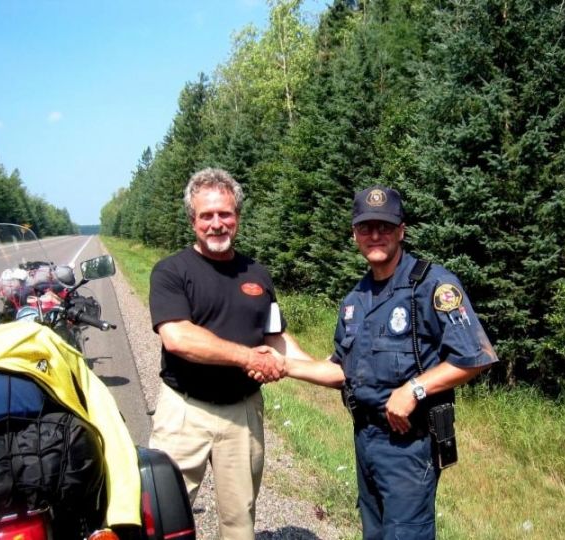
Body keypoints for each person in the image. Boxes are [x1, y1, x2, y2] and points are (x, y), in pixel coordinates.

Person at [282, 185, 499, 539]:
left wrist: (415, 389)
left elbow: (475, 357)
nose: (375, 235)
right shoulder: (356, 299)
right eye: (366, 227)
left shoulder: (433, 285)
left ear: (402, 230)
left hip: (409, 448)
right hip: (365, 439)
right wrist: (284, 364)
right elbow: (342, 370)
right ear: (355, 234)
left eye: (385, 226)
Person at [148, 168, 309, 540]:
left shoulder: (257, 273)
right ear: (193, 221)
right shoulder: (171, 271)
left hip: (243, 412)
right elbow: (178, 337)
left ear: (237, 217)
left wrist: (322, 370)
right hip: (184, 411)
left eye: (225, 214)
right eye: (207, 215)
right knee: (162, 515)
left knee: (240, 521)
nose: (217, 224)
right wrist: (250, 358)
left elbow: (276, 337)